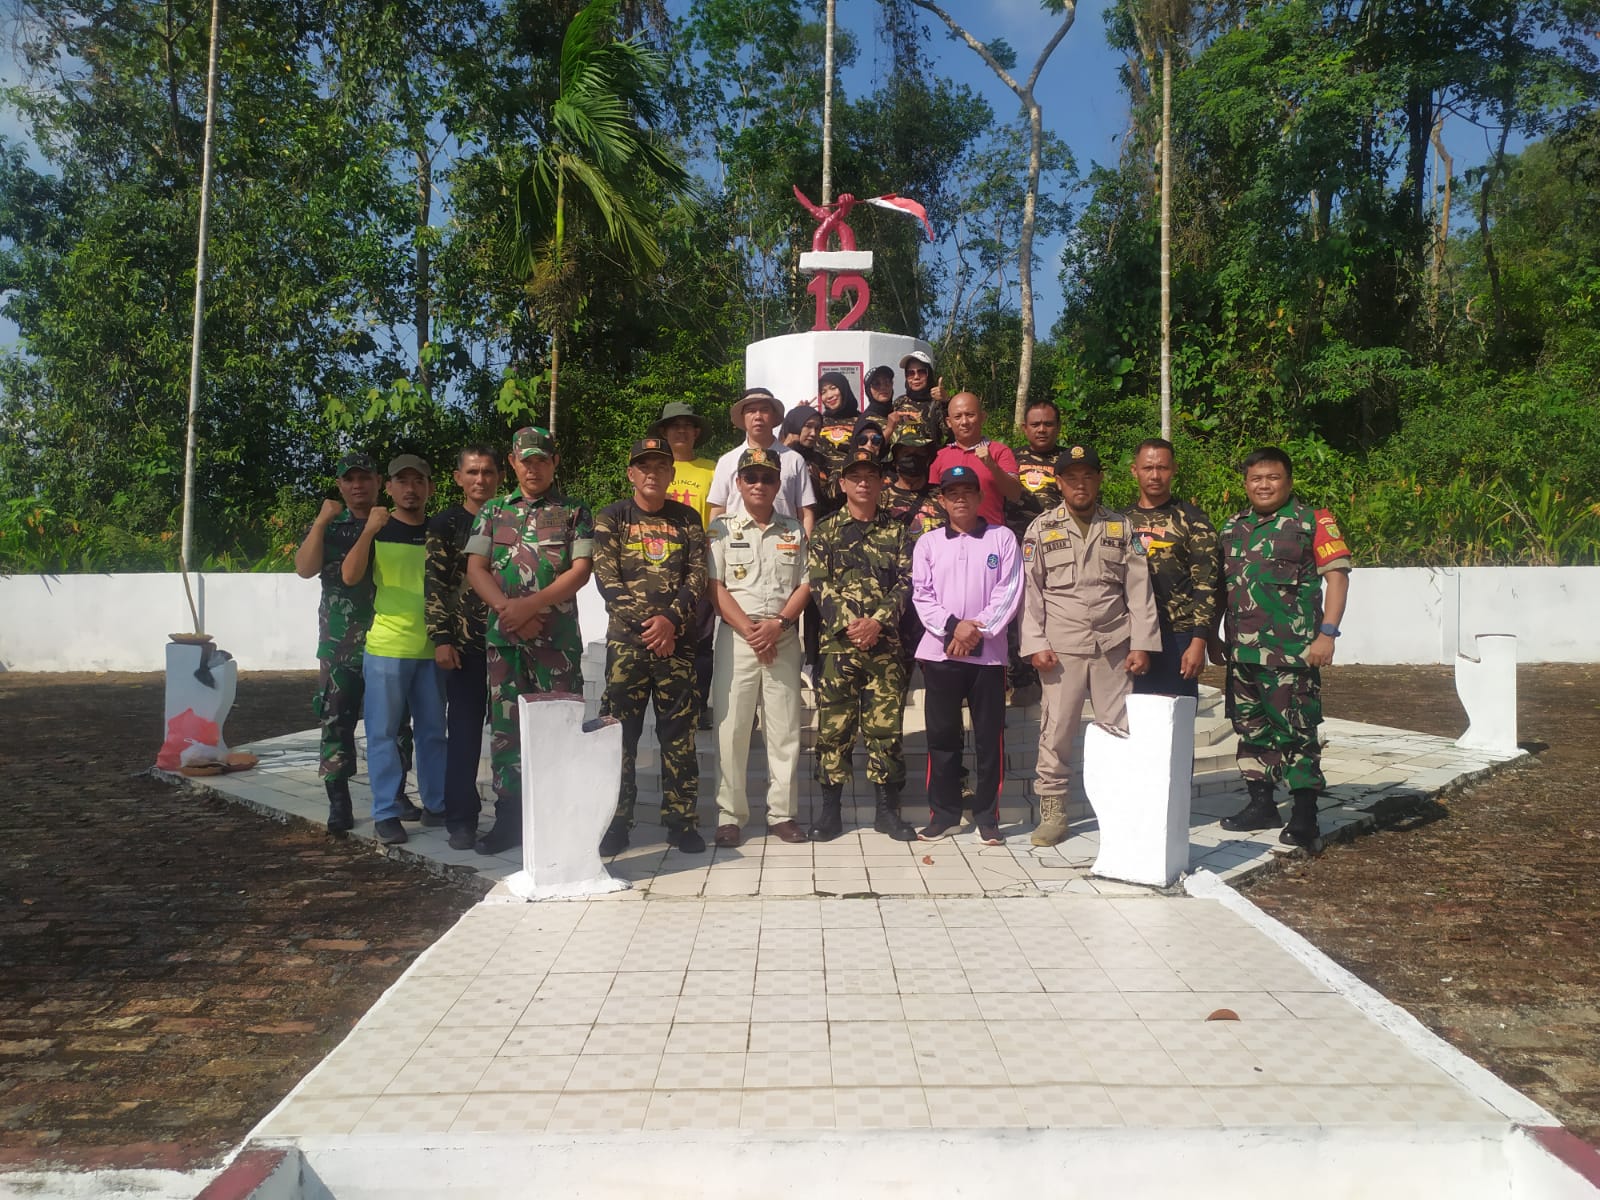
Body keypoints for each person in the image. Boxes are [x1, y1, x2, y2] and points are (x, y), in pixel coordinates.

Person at [1018, 444, 1161, 847]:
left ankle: (1119, 809)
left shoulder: (1120, 527)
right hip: (1061, 650)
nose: (1080, 485)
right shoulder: (1041, 529)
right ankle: (1053, 811)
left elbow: (1139, 590)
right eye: (1071, 477)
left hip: (1113, 646)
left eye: (1088, 476)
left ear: (1099, 480)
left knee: (1117, 729)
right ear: (1059, 482)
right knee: (1057, 730)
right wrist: (1034, 644)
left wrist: (1143, 644)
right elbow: (1030, 592)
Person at [1211, 446, 1352, 854]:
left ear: (1288, 481)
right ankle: (1261, 804)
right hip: (1243, 654)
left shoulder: (1312, 522)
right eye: (1256, 478)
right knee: (1250, 731)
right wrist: (1217, 634)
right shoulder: (1233, 527)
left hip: (1292, 654)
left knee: (1296, 732)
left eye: (1272, 477)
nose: (1264, 485)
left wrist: (1328, 634)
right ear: (1246, 483)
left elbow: (1338, 578)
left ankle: (1305, 814)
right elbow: (1226, 587)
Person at [464, 427, 594, 855]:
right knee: (506, 731)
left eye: (541, 459)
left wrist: (532, 606)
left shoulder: (575, 511)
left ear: (554, 462)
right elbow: (476, 569)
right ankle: (509, 819)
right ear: (513, 462)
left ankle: (562, 820)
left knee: (561, 728)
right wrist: (510, 612)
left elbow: (580, 571)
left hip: (555, 642)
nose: (533, 467)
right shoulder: (493, 512)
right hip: (506, 641)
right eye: (525, 460)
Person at [593, 436, 710, 856]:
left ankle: (681, 822)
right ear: (631, 474)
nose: (652, 473)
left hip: (677, 646)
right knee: (619, 739)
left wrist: (671, 621)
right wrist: (650, 627)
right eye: (644, 466)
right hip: (628, 646)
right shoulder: (611, 518)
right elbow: (607, 580)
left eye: (660, 467)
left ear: (671, 474)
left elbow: (697, 576)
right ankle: (615, 822)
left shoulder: (687, 519)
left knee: (679, 737)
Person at [806, 447, 917, 843]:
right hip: (839, 648)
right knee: (834, 732)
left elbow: (908, 581)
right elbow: (819, 583)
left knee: (886, 732)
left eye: (871, 476)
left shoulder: (899, 530)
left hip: (885, 649)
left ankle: (887, 812)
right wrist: (851, 625)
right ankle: (830, 813)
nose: (864, 483)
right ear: (843, 484)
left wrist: (878, 622)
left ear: (882, 482)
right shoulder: (825, 531)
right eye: (856, 477)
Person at [911, 464, 1023, 845]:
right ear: (941, 500)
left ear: (979, 497)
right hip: (940, 653)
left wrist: (976, 631)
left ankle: (987, 817)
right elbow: (921, 596)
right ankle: (943, 814)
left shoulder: (1002, 538)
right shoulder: (927, 543)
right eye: (952, 493)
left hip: (987, 657)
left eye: (967, 492)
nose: (960, 499)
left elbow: (1009, 591)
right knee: (942, 738)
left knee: (989, 739)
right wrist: (953, 627)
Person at [341, 454, 448, 846]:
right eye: (401, 481)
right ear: (389, 488)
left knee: (434, 732)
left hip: (432, 648)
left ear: (430, 488)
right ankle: (386, 812)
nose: (410, 489)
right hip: (386, 646)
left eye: (418, 481)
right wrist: (368, 531)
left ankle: (437, 805)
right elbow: (350, 576)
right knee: (383, 733)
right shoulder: (377, 530)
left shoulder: (440, 532)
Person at [707, 447, 812, 847]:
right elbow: (714, 587)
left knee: (784, 729)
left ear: (777, 484)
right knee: (731, 729)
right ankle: (730, 815)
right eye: (750, 477)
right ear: (738, 483)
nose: (758, 485)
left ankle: (782, 814)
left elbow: (806, 583)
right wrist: (752, 631)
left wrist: (779, 624)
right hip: (738, 639)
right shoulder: (720, 529)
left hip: (782, 637)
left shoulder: (794, 530)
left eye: (767, 478)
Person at [293, 451, 397, 833]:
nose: (357, 486)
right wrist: (321, 520)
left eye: (365, 478)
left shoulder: (391, 523)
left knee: (394, 722)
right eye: (349, 479)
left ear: (377, 482)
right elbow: (304, 568)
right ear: (339, 485)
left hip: (387, 637)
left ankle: (395, 794)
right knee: (336, 721)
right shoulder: (330, 527)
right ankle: (339, 801)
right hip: (340, 643)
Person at [424, 443, 501, 850]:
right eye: (472, 472)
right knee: (465, 737)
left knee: (510, 739)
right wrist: (441, 638)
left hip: (508, 647)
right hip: (465, 648)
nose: (480, 480)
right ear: (458, 478)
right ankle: (461, 819)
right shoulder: (445, 524)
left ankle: (514, 815)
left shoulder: (512, 518)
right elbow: (435, 584)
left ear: (499, 478)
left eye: (487, 472)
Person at [1123, 438, 1222, 699]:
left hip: (1178, 636)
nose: (1155, 475)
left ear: (1174, 469)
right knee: (1134, 723)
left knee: (1174, 722)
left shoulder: (1194, 521)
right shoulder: (1119, 522)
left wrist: (1199, 640)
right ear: (1134, 470)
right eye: (1147, 468)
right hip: (1130, 637)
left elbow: (1206, 585)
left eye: (1162, 468)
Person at [651, 400, 718, 730]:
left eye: (687, 425)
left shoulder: (712, 468)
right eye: (673, 425)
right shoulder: (652, 467)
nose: (680, 430)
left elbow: (720, 516)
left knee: (702, 640)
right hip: (657, 566)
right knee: (665, 634)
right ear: (663, 432)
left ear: (696, 432)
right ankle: (670, 702)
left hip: (698, 564)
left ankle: (699, 704)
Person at [1004, 399, 1064, 702]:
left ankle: (1056, 675)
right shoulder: (1010, 459)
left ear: (1058, 427)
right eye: (1036, 424)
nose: (1042, 429)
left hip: (1057, 551)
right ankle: (1020, 678)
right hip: (1015, 547)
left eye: (1048, 424)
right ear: (1024, 427)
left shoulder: (1069, 460)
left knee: (1054, 611)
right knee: (1016, 613)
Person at [878, 425, 945, 685]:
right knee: (892, 684)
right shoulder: (880, 499)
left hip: (937, 599)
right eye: (906, 452)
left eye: (919, 453)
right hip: (895, 599)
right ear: (894, 458)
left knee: (942, 680)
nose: (912, 459)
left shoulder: (943, 496)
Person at [707, 387, 816, 533]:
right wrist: (715, 545)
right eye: (751, 411)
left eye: (764, 410)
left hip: (784, 547)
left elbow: (805, 512)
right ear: (743, 417)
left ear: (774, 416)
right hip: (737, 548)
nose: (758, 416)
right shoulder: (727, 461)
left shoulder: (794, 460)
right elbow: (718, 509)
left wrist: (805, 549)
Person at [930, 392, 1022, 527]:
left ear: (982, 417)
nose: (964, 422)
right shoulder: (940, 457)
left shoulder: (999, 452)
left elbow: (1014, 494)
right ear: (949, 422)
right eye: (957, 417)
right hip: (952, 538)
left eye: (970, 415)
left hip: (991, 535)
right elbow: (934, 503)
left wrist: (992, 466)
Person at [813, 370, 862, 516]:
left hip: (851, 494)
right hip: (819, 497)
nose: (829, 395)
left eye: (833, 388)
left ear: (844, 388)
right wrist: (798, 415)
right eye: (824, 392)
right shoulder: (818, 421)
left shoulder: (861, 420)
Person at [885, 350, 949, 447]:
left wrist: (946, 402)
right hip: (902, 460)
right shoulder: (899, 402)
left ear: (929, 374)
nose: (916, 377)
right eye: (910, 373)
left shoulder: (938, 403)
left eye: (921, 372)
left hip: (930, 461)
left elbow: (952, 432)